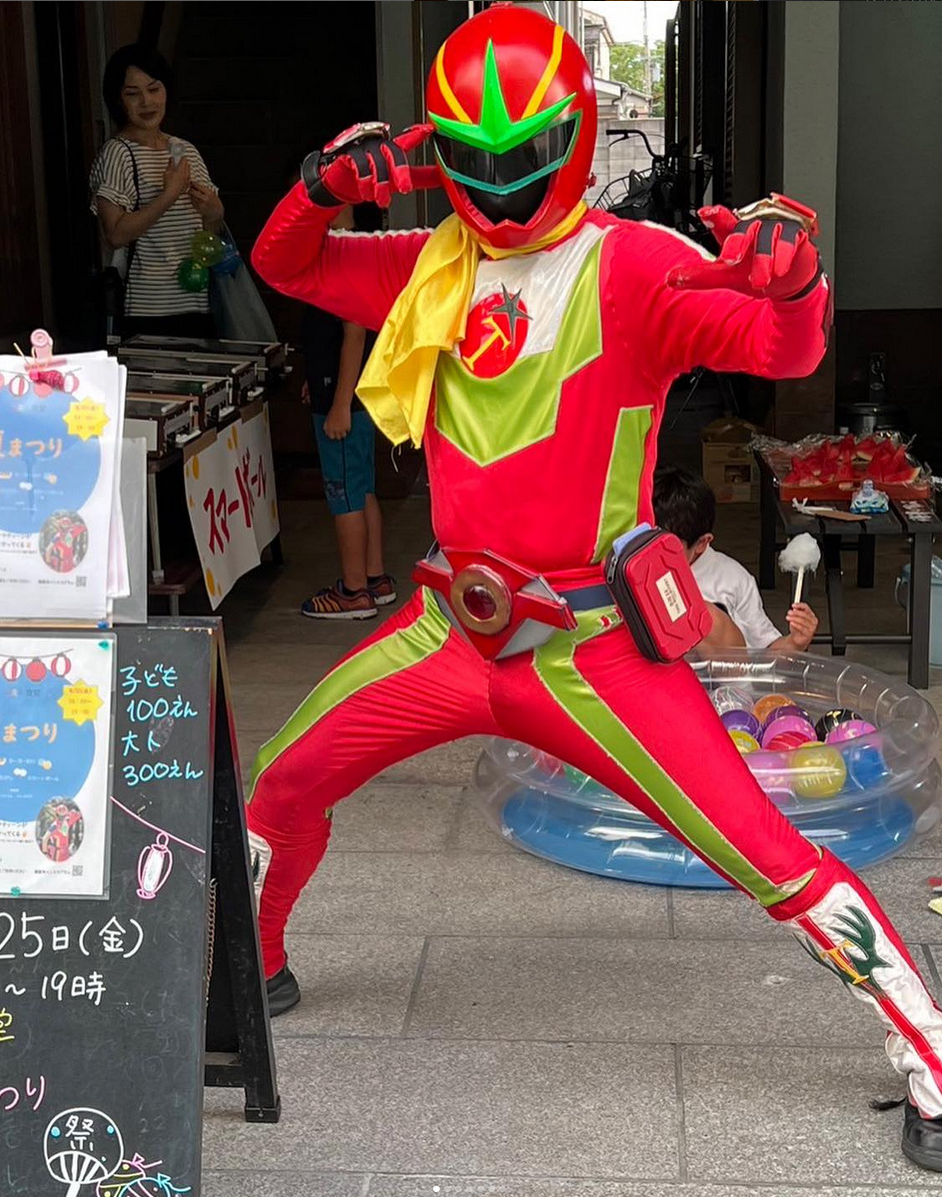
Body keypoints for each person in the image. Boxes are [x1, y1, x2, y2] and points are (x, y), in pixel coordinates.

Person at [248, 7, 942, 1171]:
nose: (502, 187)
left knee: (772, 858)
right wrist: (320, 183)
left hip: (592, 650)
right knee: (275, 788)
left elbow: (785, 355)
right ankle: (246, 976)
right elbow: (287, 261)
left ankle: (930, 1051)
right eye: (470, 159)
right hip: (443, 629)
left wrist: (797, 280)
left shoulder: (636, 264)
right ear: (438, 150)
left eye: (525, 155)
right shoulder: (430, 267)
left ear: (571, 138)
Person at [299, 204, 395, 619]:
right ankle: (375, 579)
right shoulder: (353, 249)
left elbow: (354, 333)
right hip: (350, 392)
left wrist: (339, 402)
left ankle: (354, 592)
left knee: (344, 495)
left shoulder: (340, 254)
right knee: (362, 487)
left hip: (344, 401)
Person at [89, 43, 224, 338]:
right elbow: (114, 234)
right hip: (145, 311)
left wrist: (214, 215)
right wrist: (168, 195)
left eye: (154, 89)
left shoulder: (186, 150)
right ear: (118, 100)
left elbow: (207, 237)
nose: (146, 102)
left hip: (197, 303)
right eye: (132, 94)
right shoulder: (118, 153)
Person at [653, 464, 819, 651]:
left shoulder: (733, 580)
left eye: (668, 547)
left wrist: (795, 642)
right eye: (646, 540)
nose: (653, 554)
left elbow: (766, 654)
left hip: (715, 678)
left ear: (702, 542)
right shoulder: (629, 569)